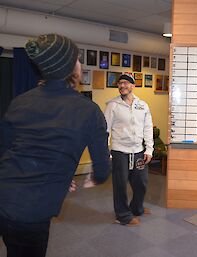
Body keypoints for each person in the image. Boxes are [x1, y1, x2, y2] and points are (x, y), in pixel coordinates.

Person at [0, 33, 110, 257]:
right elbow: (102, 168)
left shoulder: (20, 101)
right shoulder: (88, 110)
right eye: (78, 58)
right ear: (70, 67)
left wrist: (58, 174)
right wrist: (95, 178)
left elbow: (8, 150)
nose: (80, 63)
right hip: (30, 210)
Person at [104, 73, 154, 226]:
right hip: (120, 152)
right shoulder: (113, 105)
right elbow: (105, 130)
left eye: (126, 83)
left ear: (133, 86)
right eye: (120, 83)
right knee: (120, 186)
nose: (122, 86)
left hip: (138, 151)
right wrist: (106, 151)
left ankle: (136, 207)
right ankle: (123, 215)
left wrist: (149, 150)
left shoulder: (142, 105)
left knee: (141, 183)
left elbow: (147, 127)